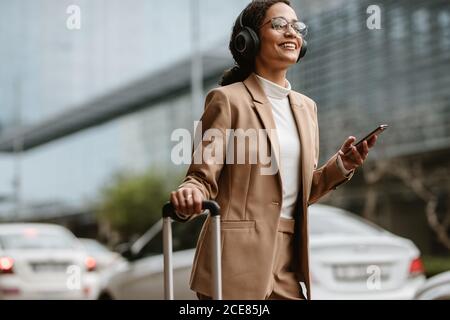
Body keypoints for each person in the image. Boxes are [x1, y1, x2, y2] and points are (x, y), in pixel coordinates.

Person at [170, 0, 377, 300]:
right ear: (250, 39)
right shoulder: (227, 100)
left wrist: (341, 166)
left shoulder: (307, 108)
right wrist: (190, 193)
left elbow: (298, 193)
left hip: (289, 262)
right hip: (234, 263)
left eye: (297, 26)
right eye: (279, 25)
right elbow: (201, 176)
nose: (291, 32)